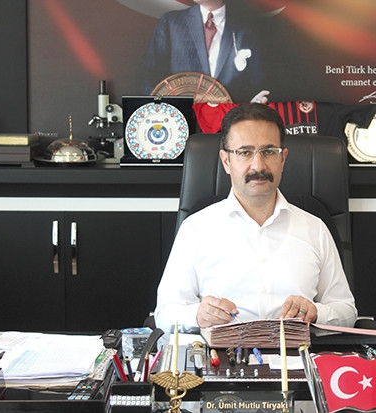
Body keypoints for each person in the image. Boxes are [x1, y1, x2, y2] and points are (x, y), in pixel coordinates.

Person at [154, 103, 358, 338]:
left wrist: (316, 313)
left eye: (269, 152)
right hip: (222, 357)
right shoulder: (196, 229)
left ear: (283, 159)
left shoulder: (315, 229)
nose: (258, 166)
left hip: (296, 355)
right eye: (245, 152)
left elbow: (346, 311)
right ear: (226, 161)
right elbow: (165, 314)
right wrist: (198, 315)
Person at [143, 0, 265, 101]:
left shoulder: (248, 28)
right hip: (181, 116)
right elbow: (151, 77)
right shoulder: (171, 22)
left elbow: (256, 83)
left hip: (230, 117)